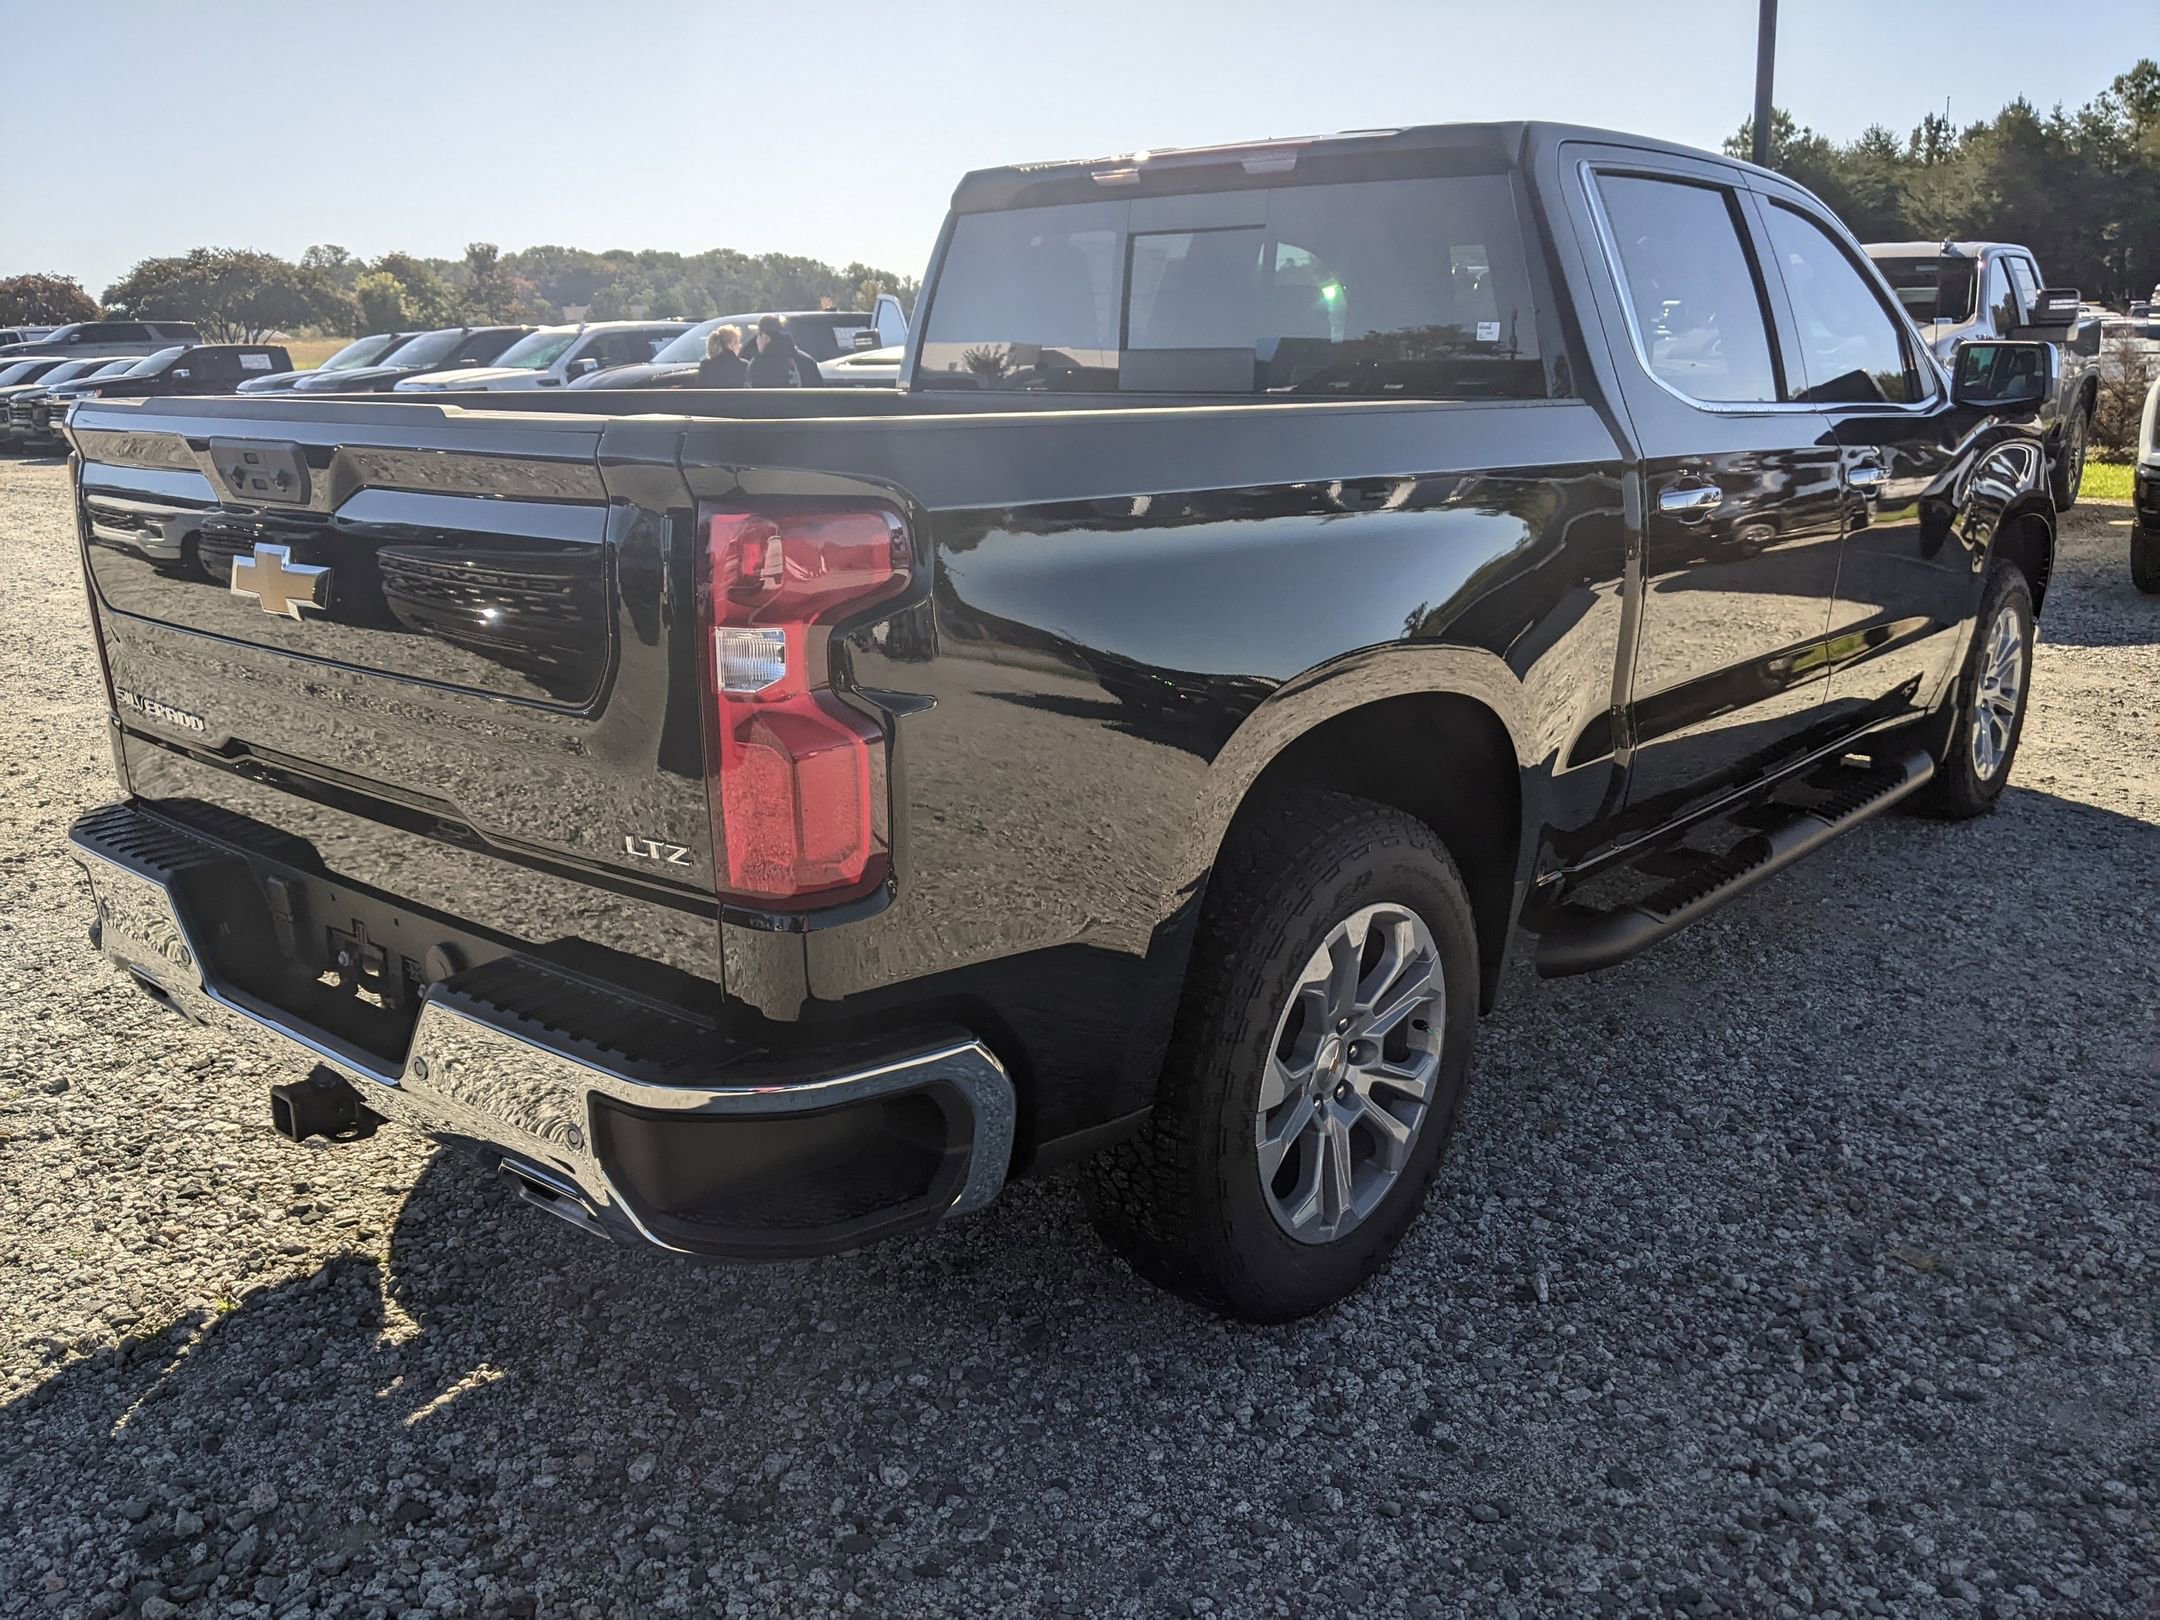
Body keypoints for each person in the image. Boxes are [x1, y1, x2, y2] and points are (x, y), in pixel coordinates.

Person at [746, 314, 813, 387]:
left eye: (758, 336)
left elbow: (752, 395)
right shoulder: (807, 361)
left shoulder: (758, 364)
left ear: (765, 337)